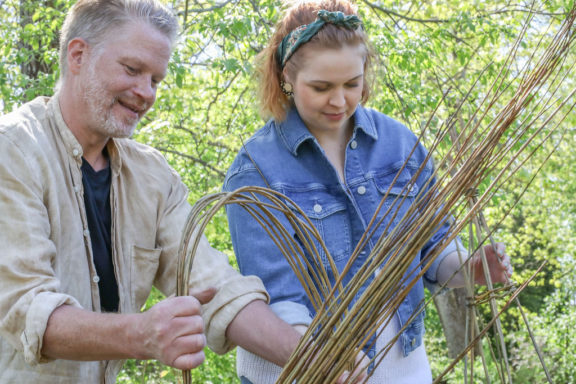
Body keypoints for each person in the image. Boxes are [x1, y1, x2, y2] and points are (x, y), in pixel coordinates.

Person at [0, 0, 306, 382]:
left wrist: (311, 357)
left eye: (156, 80)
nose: (146, 93)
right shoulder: (13, 152)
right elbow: (27, 310)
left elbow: (217, 287)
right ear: (78, 55)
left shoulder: (151, 176)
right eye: (132, 69)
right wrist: (143, 334)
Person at [223, 1, 514, 383]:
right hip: (304, 371)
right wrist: (314, 357)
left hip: (404, 370)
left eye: (352, 84)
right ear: (286, 78)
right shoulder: (256, 169)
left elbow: (433, 246)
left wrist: (472, 268)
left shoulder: (400, 144)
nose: (340, 101)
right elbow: (277, 295)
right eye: (321, 87)